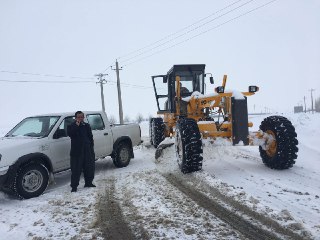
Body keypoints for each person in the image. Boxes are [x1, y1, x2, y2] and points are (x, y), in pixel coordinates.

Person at [67, 111, 96, 192]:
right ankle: (74, 187)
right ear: (75, 118)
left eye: (82, 117)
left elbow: (90, 136)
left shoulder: (86, 126)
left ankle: (88, 182)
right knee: (76, 169)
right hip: (77, 151)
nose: (80, 118)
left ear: (83, 117)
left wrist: (91, 147)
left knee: (89, 167)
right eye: (78, 117)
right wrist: (76, 125)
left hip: (87, 150)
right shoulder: (71, 126)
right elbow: (70, 134)